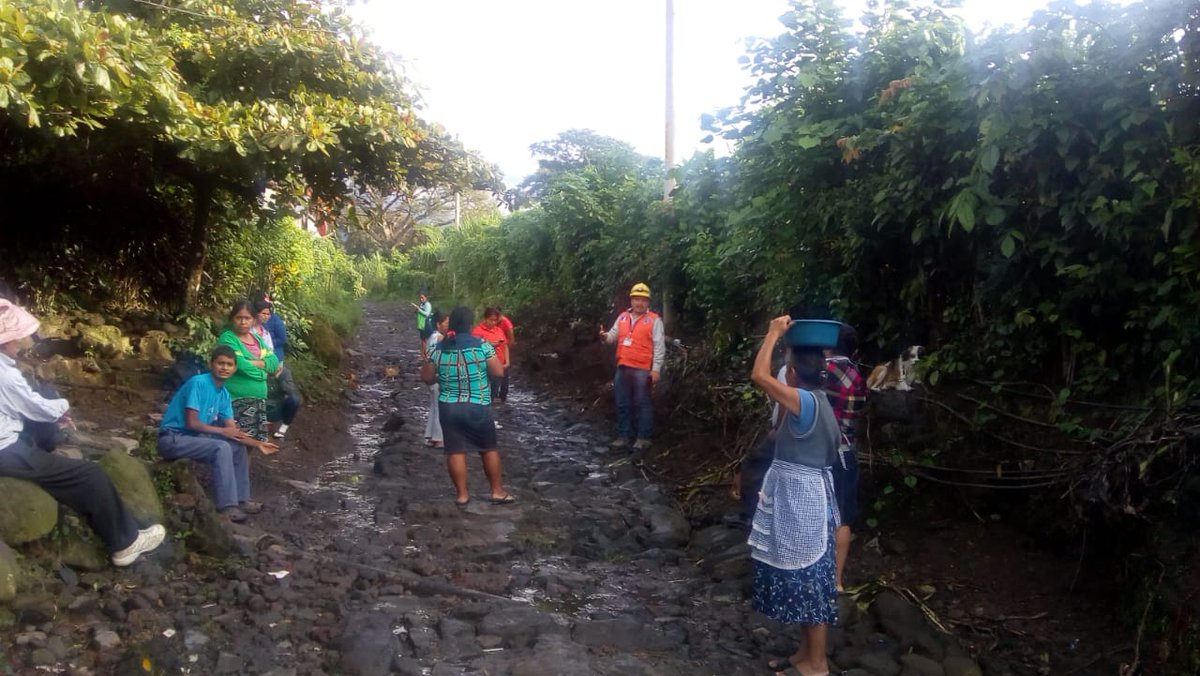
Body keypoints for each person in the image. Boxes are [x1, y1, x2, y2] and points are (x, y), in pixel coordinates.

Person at [0, 299, 165, 567]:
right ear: (5, 341)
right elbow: (34, 407)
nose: (19, 343)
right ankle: (125, 543)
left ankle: (49, 469)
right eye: (15, 338)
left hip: (7, 437)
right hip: (5, 450)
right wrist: (62, 408)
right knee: (90, 474)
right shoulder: (4, 373)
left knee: (44, 419)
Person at [748, 315, 840, 676]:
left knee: (812, 579)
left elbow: (758, 375)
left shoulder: (805, 400)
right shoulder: (812, 400)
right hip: (803, 496)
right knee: (803, 574)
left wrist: (772, 335)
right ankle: (805, 653)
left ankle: (817, 665)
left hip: (805, 499)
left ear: (793, 370)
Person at [157, 345, 278, 523]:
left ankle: (241, 499)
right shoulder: (199, 383)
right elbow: (192, 422)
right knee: (221, 447)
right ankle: (227, 506)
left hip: (194, 439)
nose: (224, 368)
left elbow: (233, 431)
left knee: (237, 447)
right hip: (172, 439)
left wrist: (258, 444)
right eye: (220, 363)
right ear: (211, 364)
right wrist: (222, 431)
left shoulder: (224, 394)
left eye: (229, 364)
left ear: (235, 368)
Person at [420, 307, 514, 507]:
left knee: (455, 451)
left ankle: (462, 495)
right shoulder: (482, 346)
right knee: (488, 448)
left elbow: (427, 377)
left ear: (451, 324)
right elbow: (498, 372)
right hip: (478, 404)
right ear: (470, 325)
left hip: (449, 407)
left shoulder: (438, 348)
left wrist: (443, 378)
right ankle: (496, 491)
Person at [825, 325, 866, 592]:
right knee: (844, 517)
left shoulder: (821, 372)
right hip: (847, 450)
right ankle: (836, 580)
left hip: (820, 453)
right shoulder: (859, 376)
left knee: (817, 514)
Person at [599, 283, 665, 450]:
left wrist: (656, 369)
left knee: (642, 403)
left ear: (648, 302)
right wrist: (604, 336)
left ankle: (643, 438)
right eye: (636, 299)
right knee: (622, 403)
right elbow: (612, 336)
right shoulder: (622, 317)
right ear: (631, 300)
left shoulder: (654, 320)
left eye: (643, 300)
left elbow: (659, 346)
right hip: (623, 366)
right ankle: (624, 436)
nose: (639, 303)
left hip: (642, 369)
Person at [216, 300, 279, 443]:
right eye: (239, 318)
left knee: (252, 445)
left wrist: (254, 363)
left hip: (258, 402)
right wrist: (263, 373)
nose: (243, 322)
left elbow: (274, 363)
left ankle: (244, 467)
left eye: (247, 318)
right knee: (235, 443)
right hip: (236, 400)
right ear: (232, 319)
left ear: (253, 320)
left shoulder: (257, 339)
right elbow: (240, 365)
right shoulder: (228, 338)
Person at [253, 299, 301, 441]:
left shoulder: (268, 331)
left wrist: (274, 371)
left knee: (291, 398)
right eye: (263, 313)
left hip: (271, 366)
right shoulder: (250, 331)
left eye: (268, 313)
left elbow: (277, 344)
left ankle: (280, 427)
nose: (266, 316)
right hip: (254, 369)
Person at [471, 307, 510, 404]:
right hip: (484, 366)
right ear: (485, 319)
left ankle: (492, 405)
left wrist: (507, 361)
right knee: (484, 391)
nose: (493, 323)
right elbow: (473, 349)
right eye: (491, 320)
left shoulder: (499, 330)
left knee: (495, 389)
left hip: (500, 364)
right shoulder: (477, 331)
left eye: (495, 320)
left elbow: (505, 346)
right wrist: (489, 345)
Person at [423, 311, 449, 449]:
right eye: (446, 323)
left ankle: (431, 436)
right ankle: (439, 439)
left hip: (430, 374)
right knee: (440, 408)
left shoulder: (430, 337)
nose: (448, 325)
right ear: (438, 324)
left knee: (433, 406)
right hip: (438, 375)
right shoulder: (440, 338)